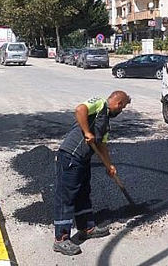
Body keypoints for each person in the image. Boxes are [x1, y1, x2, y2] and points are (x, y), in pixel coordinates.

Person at [53, 90, 132, 256]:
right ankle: (61, 239)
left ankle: (87, 228)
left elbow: (102, 145)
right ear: (118, 104)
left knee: (83, 194)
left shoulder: (106, 122)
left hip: (83, 159)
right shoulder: (99, 103)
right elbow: (80, 110)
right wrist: (87, 132)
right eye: (122, 107)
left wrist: (109, 165)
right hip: (70, 155)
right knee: (66, 197)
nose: (121, 111)